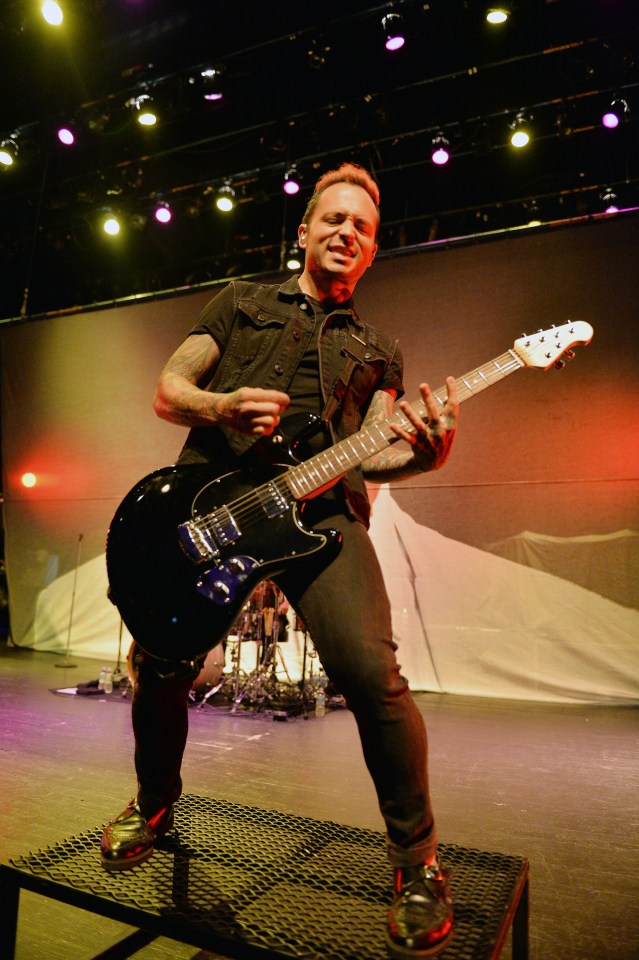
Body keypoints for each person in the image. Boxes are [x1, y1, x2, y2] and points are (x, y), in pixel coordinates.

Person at [101, 162, 459, 959]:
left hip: (320, 515)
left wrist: (425, 457)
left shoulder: (380, 349)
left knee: (372, 675)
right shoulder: (240, 301)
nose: (346, 233)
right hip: (211, 505)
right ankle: (154, 805)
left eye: (361, 229)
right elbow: (169, 390)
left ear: (370, 253)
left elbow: (374, 453)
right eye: (333, 220)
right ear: (303, 231)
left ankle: (417, 863)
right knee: (161, 662)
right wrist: (221, 406)